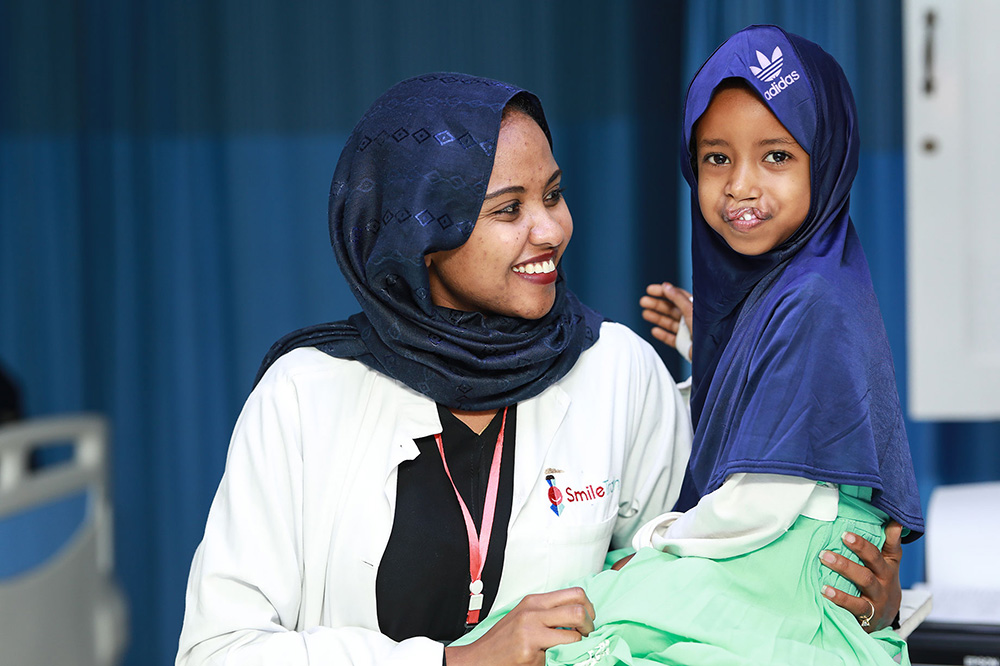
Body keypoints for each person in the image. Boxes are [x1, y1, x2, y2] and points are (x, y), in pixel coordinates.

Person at [176, 71, 904, 666]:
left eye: (553, 195)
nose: (552, 229)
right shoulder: (306, 394)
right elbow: (219, 652)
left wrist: (859, 606)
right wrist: (455, 665)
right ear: (422, 232)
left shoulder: (618, 371)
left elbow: (709, 602)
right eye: (508, 209)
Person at [464, 25, 925, 665]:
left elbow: (765, 495)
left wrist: (655, 545)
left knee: (582, 630)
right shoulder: (792, 291)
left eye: (777, 156)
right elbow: (778, 394)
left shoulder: (812, 298)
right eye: (716, 158)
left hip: (770, 563)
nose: (740, 185)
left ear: (830, 156)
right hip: (763, 557)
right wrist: (708, 342)